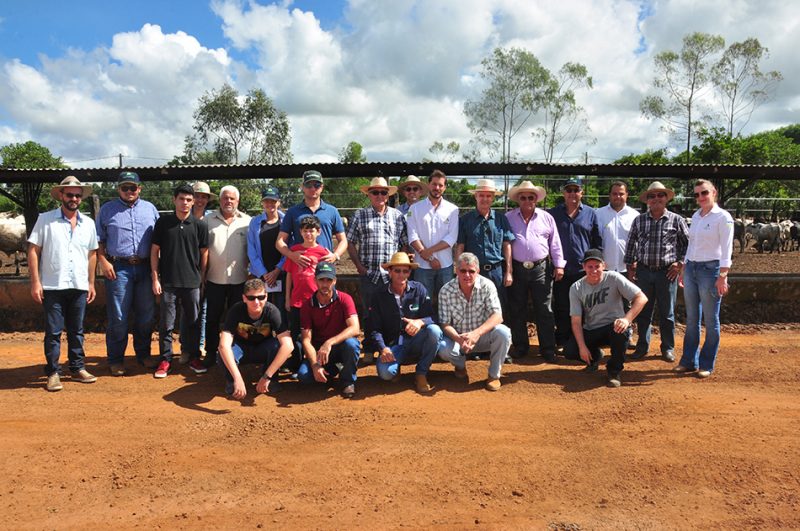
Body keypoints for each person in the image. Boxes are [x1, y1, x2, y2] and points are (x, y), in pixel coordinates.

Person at [27, 176, 98, 392]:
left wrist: (91, 283)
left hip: (79, 285)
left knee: (77, 330)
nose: (73, 198)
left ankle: (77, 368)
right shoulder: (45, 220)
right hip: (52, 286)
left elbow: (92, 254)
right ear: (61, 195)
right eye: (69, 195)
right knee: (54, 331)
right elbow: (33, 250)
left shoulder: (89, 223)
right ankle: (53, 372)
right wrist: (35, 282)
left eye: (77, 195)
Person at [95, 171, 160, 376]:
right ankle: (116, 359)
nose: (129, 191)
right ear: (118, 189)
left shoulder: (150, 209)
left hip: (145, 268)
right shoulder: (107, 210)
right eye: (125, 187)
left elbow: (159, 241)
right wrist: (103, 261)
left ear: (139, 188)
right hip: (118, 268)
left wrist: (157, 270)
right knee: (119, 317)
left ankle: (143, 354)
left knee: (146, 315)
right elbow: (98, 240)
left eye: (133, 187)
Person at [624, 181, 689, 362]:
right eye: (652, 196)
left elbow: (688, 245)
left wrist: (679, 263)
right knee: (643, 311)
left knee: (667, 313)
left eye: (660, 195)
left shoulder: (677, 220)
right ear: (647, 200)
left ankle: (667, 348)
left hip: (667, 272)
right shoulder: (639, 220)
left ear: (666, 198)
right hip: (644, 271)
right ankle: (642, 347)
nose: (656, 199)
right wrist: (630, 267)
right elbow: (631, 244)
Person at [676, 179, 734, 378]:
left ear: (714, 193)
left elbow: (727, 248)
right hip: (692, 268)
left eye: (704, 193)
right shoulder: (696, 216)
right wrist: (684, 268)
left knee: (710, 319)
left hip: (711, 271)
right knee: (692, 318)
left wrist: (723, 275)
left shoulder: (723, 217)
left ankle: (706, 364)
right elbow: (691, 245)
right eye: (697, 194)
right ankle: (688, 361)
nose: (700, 197)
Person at [565, 249, 648, 387]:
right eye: (590, 266)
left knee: (620, 332)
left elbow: (642, 298)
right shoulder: (576, 287)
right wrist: (582, 347)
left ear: (604, 265)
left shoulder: (614, 278)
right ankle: (595, 357)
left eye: (597, 266)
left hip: (614, 326)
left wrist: (626, 319)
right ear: (583, 267)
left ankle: (614, 372)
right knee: (570, 351)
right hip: (592, 329)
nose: (594, 270)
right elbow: (576, 321)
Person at [150, 184, 209, 378]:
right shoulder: (163, 223)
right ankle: (165, 360)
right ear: (174, 200)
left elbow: (204, 252)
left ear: (193, 202)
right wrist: (155, 277)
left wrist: (202, 277)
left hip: (192, 283)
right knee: (166, 324)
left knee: (193, 322)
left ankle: (194, 357)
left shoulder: (200, 225)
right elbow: (154, 251)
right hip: (168, 283)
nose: (185, 203)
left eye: (189, 200)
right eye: (181, 199)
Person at [505, 181, 565, 362]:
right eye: (523, 197)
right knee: (517, 308)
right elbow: (505, 243)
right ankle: (521, 346)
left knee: (544, 309)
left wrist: (559, 265)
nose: (527, 201)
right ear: (518, 199)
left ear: (536, 199)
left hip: (541, 268)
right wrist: (508, 270)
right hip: (516, 268)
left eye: (530, 197)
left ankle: (548, 348)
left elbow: (555, 242)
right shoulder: (508, 217)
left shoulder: (546, 218)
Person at [365, 252, 442, 394]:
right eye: (397, 271)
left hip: (416, 340)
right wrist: (383, 348)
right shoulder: (378, 295)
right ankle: (397, 366)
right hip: (393, 345)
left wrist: (419, 322)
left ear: (409, 272)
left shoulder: (418, 289)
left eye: (405, 271)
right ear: (390, 271)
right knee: (386, 374)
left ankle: (421, 373)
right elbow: (374, 328)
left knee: (434, 331)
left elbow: (434, 317)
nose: (401, 275)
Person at [437, 252, 511, 391]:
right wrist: (459, 339)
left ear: (478, 271)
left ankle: (494, 375)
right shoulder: (445, 291)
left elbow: (498, 316)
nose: (467, 275)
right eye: (463, 271)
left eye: (471, 271)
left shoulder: (487, 285)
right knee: (442, 347)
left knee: (503, 332)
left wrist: (476, 334)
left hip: (482, 336)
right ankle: (460, 366)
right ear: (456, 270)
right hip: (459, 339)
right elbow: (445, 324)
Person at [548, 177, 602, 349]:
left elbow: (597, 242)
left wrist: (594, 266)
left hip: (582, 270)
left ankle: (583, 340)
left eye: (576, 190)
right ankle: (562, 340)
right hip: (561, 270)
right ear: (563, 193)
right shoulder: (553, 214)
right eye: (569, 190)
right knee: (562, 306)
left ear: (581, 193)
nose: (572, 193)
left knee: (586, 306)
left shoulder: (591, 214)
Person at [217, 278, 294, 399]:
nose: (256, 302)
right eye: (251, 298)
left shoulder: (272, 311)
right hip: (240, 349)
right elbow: (223, 345)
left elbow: (288, 345)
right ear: (244, 298)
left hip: (262, 349)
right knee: (223, 352)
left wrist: (267, 376)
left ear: (266, 296)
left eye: (261, 297)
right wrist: (237, 378)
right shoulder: (236, 310)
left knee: (277, 345)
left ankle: (271, 380)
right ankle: (232, 381)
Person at [346, 177, 408, 323]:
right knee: (369, 313)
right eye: (375, 192)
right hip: (369, 274)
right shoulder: (359, 215)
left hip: (392, 275)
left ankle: (391, 338)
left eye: (383, 192)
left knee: (393, 313)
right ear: (369, 195)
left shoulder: (397, 216)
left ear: (387, 195)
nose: (379, 195)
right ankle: (371, 337)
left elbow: (404, 243)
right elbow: (350, 242)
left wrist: (399, 267)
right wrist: (359, 266)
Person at [296, 263, 361, 398]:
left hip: (340, 346)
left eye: (329, 280)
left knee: (352, 344)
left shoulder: (345, 299)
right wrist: (315, 365)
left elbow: (355, 328)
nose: (325, 284)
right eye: (321, 280)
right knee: (304, 376)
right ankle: (330, 372)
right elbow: (306, 340)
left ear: (335, 281)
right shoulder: (307, 305)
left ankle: (348, 381)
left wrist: (329, 342)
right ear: (315, 280)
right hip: (320, 352)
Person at [203, 185, 251, 368]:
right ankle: (210, 352)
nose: (228, 201)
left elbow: (251, 250)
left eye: (232, 198)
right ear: (220, 200)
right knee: (212, 318)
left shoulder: (247, 222)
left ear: (238, 201)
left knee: (237, 318)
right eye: (225, 198)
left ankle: (234, 352)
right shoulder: (208, 220)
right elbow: (203, 250)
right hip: (214, 279)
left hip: (239, 279)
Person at [455, 178, 514, 311]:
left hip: (496, 272)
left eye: (488, 196)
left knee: (498, 308)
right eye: (481, 195)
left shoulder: (501, 219)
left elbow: (507, 245)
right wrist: (459, 271)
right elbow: (460, 246)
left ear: (493, 198)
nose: (485, 199)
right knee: (475, 308)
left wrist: (509, 272)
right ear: (475, 196)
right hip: (473, 272)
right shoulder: (465, 220)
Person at [595, 181, 640, 349]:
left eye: (621, 193)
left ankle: (628, 336)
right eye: (614, 193)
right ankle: (602, 337)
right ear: (609, 195)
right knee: (602, 304)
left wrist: (635, 262)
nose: (618, 196)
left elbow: (639, 241)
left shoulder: (635, 215)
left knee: (627, 303)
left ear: (627, 195)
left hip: (626, 268)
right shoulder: (598, 214)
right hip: (603, 268)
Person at [407, 169, 460, 301]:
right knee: (423, 302)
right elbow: (412, 236)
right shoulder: (415, 208)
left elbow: (451, 238)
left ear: (445, 187)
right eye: (434, 184)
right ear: (428, 185)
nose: (437, 188)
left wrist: (428, 252)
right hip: (422, 267)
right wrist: (430, 258)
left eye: (440, 185)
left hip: (445, 266)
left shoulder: (453, 209)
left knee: (447, 302)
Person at [276, 170, 347, 267]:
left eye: (317, 185)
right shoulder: (292, 212)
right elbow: (280, 241)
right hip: (301, 267)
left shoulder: (332, 211)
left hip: (325, 268)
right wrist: (291, 255)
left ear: (322, 187)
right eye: (308, 185)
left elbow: (343, 240)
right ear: (302, 187)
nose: (313, 188)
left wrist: (335, 255)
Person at [282, 215, 330, 344]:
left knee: (317, 332)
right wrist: (287, 298)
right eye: (305, 231)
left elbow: (328, 279)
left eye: (311, 231)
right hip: (297, 300)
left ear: (318, 232)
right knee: (296, 333)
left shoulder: (323, 253)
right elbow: (289, 275)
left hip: (317, 299)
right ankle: (297, 356)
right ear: (300, 232)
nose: (308, 234)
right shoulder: (294, 251)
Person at [183, 181, 216, 362]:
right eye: (197, 196)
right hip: (188, 270)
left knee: (203, 309)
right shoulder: (182, 217)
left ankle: (200, 344)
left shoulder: (212, 219)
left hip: (210, 270)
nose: (200, 200)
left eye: (204, 197)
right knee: (187, 310)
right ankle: (186, 347)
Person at [247, 185, 286, 320]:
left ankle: (281, 332)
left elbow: (290, 248)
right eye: (266, 201)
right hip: (261, 275)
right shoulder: (255, 222)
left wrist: (277, 270)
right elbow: (251, 250)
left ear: (279, 202)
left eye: (273, 201)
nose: (270, 204)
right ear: (262, 203)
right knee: (261, 309)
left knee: (281, 309)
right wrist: (264, 274)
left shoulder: (286, 221)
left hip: (281, 274)